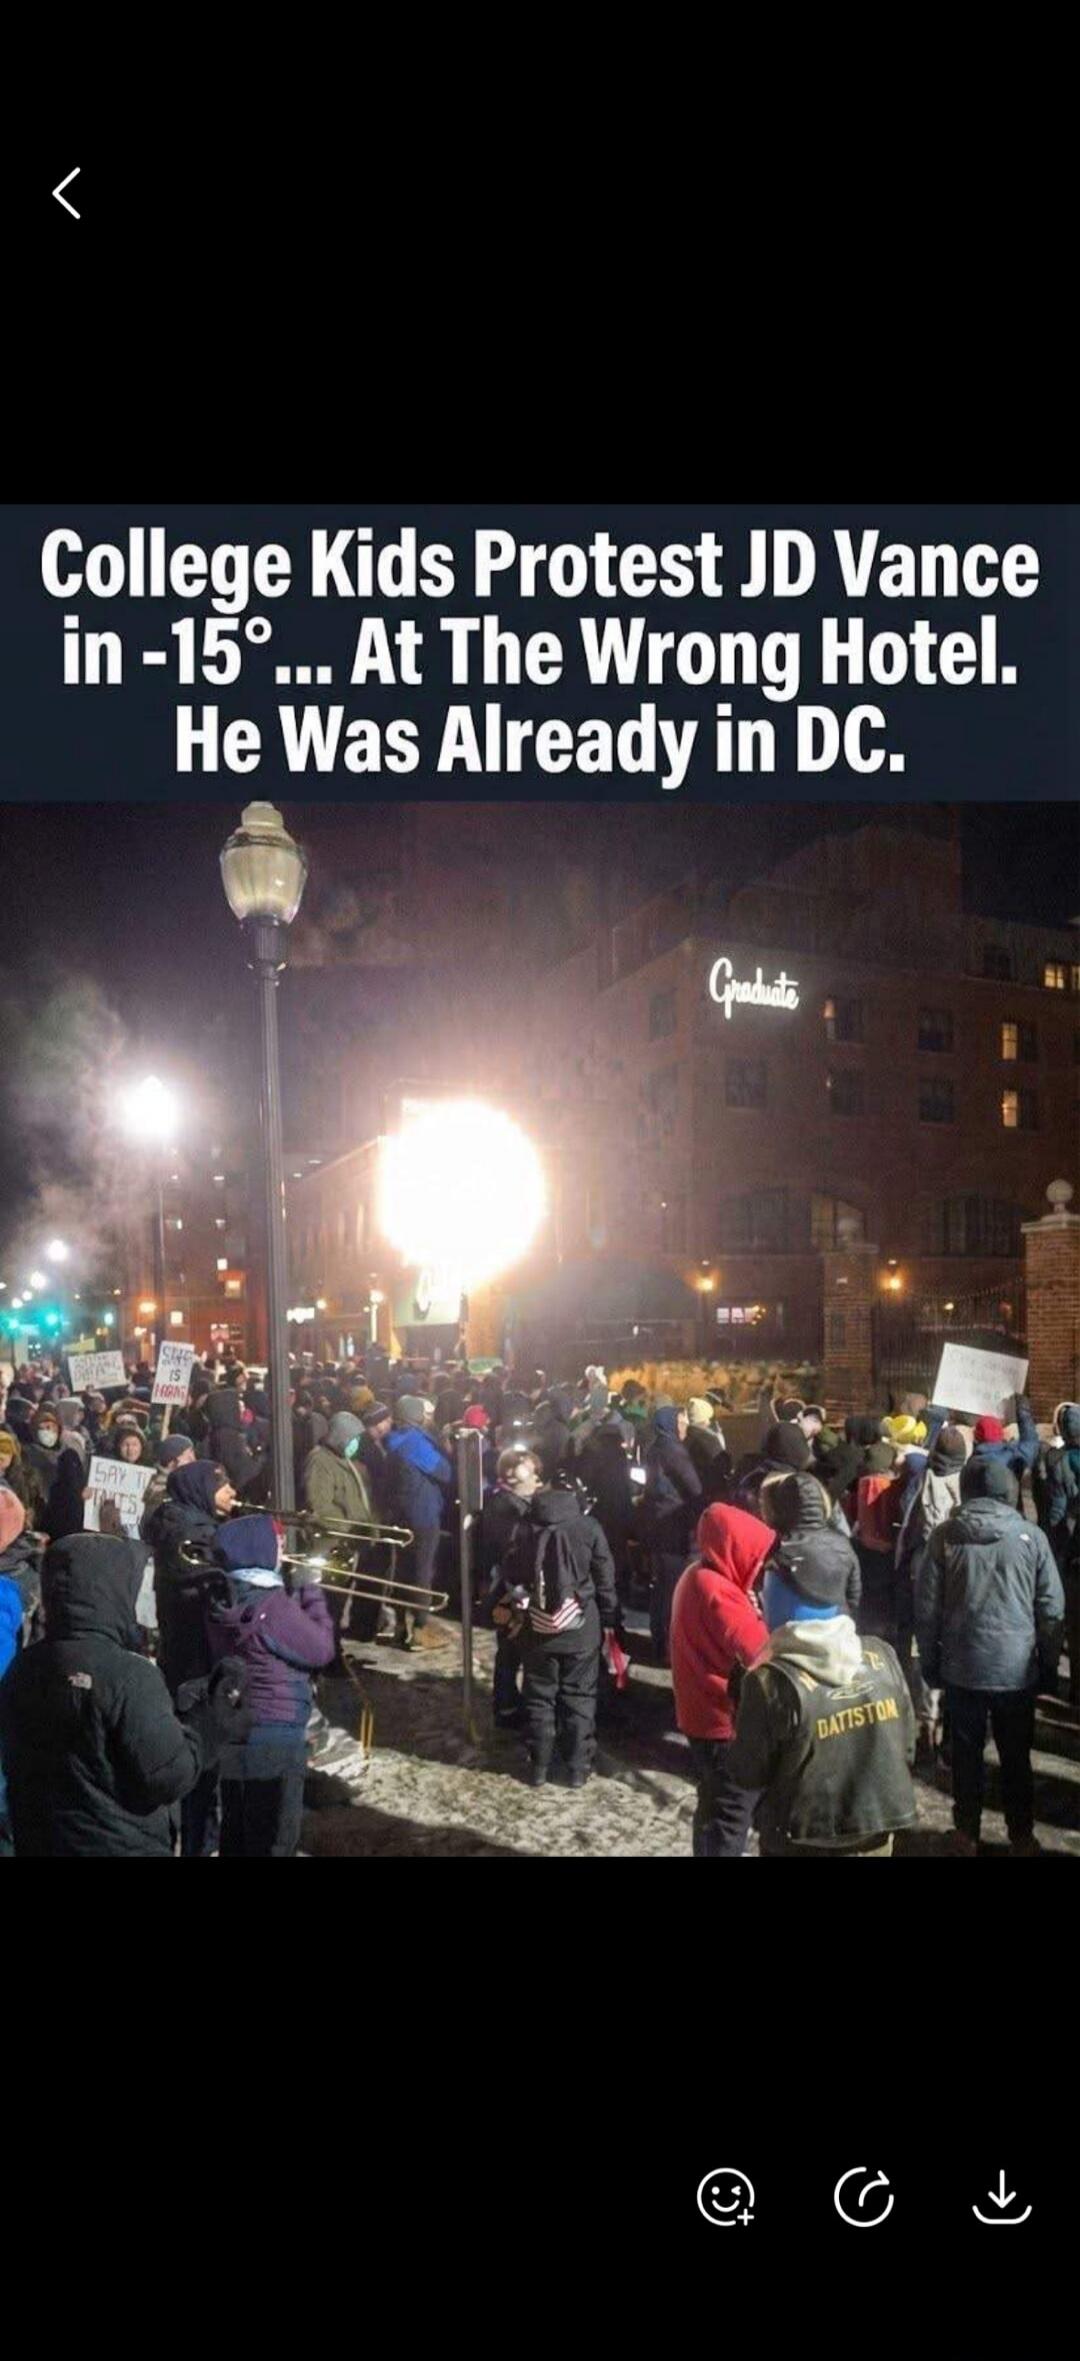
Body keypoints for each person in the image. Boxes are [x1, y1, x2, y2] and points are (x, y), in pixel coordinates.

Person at [0, 1530, 252, 1856]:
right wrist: (208, 1726)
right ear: (113, 1589)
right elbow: (167, 1774)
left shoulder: (25, 1666)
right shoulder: (127, 1675)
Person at [726, 1528, 918, 1857]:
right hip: (875, 1832)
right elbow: (907, 1748)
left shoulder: (768, 1682)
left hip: (801, 1839)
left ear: (784, 1600)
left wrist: (739, 1701)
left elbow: (746, 1772)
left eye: (767, 1590)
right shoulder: (881, 1654)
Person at [915, 1458, 1064, 1855]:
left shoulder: (945, 1538)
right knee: (1016, 1757)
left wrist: (929, 1662)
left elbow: (927, 1608)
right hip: (1016, 1670)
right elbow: (1050, 1608)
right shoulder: (1031, 1538)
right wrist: (1048, 1663)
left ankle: (966, 1834)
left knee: (966, 1756)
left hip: (963, 1668)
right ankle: (1021, 1836)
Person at [205, 1513, 335, 1857]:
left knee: (238, 1833)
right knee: (277, 1838)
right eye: (277, 1542)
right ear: (257, 1550)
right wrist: (310, 1590)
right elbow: (321, 1650)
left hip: (237, 1729)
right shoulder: (273, 1607)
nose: (283, 1549)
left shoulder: (223, 1597)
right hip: (276, 1733)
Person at [142, 1459, 238, 1856]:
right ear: (200, 1490)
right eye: (223, 1486)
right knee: (203, 1766)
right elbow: (217, 1599)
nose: (232, 1492)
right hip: (197, 1664)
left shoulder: (183, 1526)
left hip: (186, 1660)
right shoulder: (193, 1535)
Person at [499, 1478, 617, 1787]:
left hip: (537, 1626)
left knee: (539, 1696)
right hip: (580, 1624)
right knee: (579, 1696)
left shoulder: (523, 1527)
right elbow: (604, 1577)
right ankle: (577, 1768)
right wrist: (609, 1616)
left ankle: (539, 1765)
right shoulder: (588, 1527)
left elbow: (510, 1573)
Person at [670, 1501, 772, 1856]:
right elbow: (760, 1651)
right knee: (733, 1808)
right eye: (754, 1556)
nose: (759, 1566)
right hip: (722, 1719)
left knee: (714, 1803)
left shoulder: (695, 1574)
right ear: (734, 1549)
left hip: (698, 1713)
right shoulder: (719, 1592)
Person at [383, 1396, 453, 1650]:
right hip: (421, 1515)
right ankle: (420, 1630)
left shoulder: (393, 1439)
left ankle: (400, 1626)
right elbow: (444, 1472)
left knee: (401, 1571)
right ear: (417, 1416)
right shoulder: (415, 1443)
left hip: (399, 1515)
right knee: (422, 1572)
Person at [481, 1446, 542, 1728]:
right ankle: (509, 1706)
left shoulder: (509, 1502)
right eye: (532, 1474)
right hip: (511, 1591)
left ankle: (507, 1703)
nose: (538, 1481)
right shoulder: (507, 1509)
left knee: (510, 1649)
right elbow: (512, 1552)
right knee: (515, 1650)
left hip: (509, 1589)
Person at [644, 1405, 702, 1664]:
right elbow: (693, 1488)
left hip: (656, 1525)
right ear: (669, 1423)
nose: (685, 1426)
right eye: (680, 1421)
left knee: (660, 1588)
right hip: (673, 1525)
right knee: (672, 1588)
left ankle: (658, 1642)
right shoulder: (673, 1451)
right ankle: (669, 1648)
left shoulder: (654, 1447)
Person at [761, 1472, 862, 1620]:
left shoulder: (775, 1546)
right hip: (834, 1629)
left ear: (781, 1506)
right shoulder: (842, 1542)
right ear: (822, 1501)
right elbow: (854, 1596)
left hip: (786, 1634)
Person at [206, 1385, 269, 1503]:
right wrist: (261, 1459)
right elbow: (244, 1471)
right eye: (237, 1406)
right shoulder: (229, 1438)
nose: (242, 1410)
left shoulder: (221, 1434)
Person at [684, 1397, 732, 1501]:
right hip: (709, 1494)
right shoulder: (709, 1439)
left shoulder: (683, 1437)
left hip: (688, 1492)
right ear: (706, 1418)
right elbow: (723, 1465)